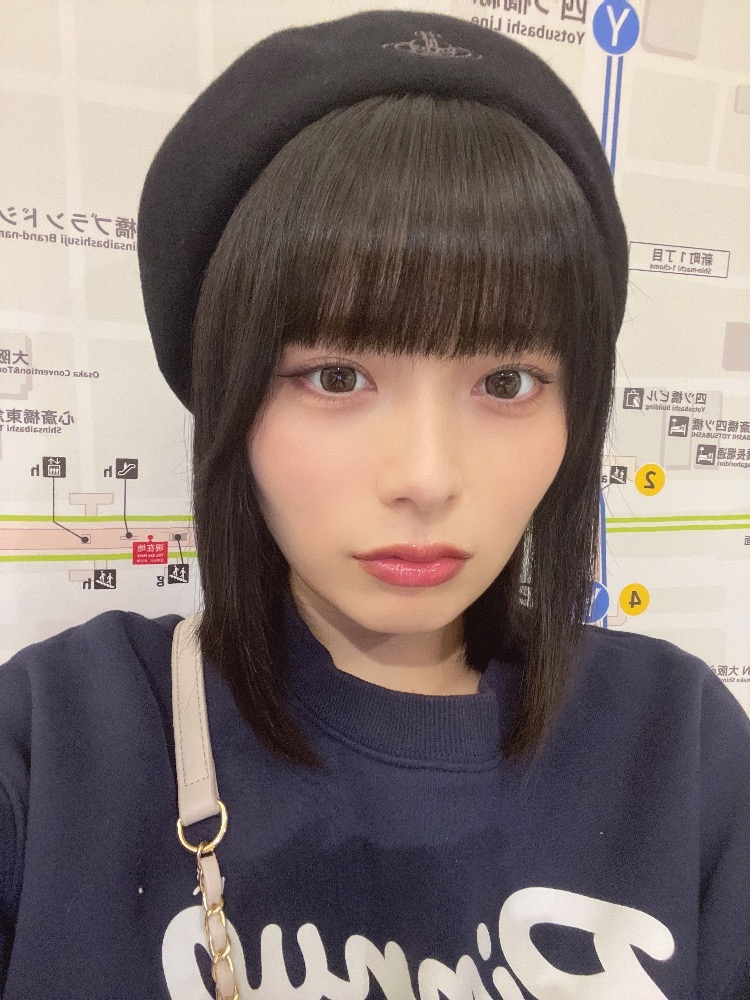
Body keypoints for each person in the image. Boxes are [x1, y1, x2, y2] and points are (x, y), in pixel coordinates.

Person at [0, 9, 748, 1000]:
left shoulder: (680, 749)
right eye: (337, 376)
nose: (427, 476)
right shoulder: (57, 744)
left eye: (509, 382)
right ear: (229, 397)